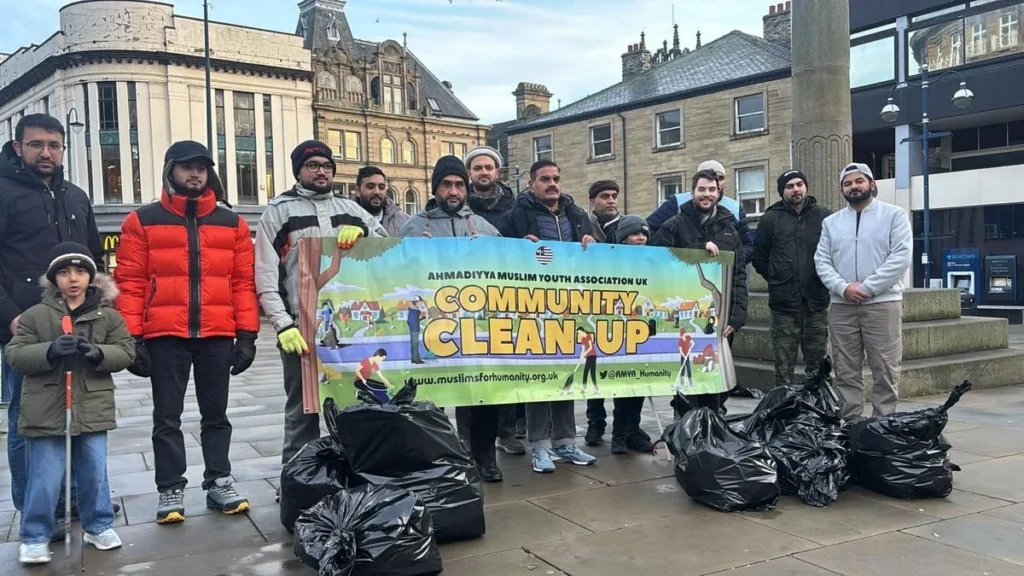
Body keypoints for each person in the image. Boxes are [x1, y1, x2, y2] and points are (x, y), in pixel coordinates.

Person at [114, 140, 260, 524]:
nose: (195, 173)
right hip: (164, 334)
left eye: (201, 167)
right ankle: (170, 488)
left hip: (216, 332)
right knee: (167, 417)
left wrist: (246, 334)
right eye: (186, 167)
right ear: (170, 172)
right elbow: (128, 282)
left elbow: (243, 283)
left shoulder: (233, 223)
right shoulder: (141, 220)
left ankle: (219, 481)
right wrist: (132, 337)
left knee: (216, 415)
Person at [255, 140, 386, 474]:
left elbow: (389, 252)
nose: (321, 171)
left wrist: (364, 233)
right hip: (301, 329)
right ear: (298, 170)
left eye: (326, 165)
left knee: (356, 406)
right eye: (312, 165)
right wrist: (282, 325)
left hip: (348, 333)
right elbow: (266, 273)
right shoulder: (278, 211)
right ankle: (299, 480)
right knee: (302, 413)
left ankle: (357, 475)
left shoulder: (353, 209)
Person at [0, 114, 105, 523]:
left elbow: (94, 259)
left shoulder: (76, 195)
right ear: (17, 147)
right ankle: (35, 509)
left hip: (78, 325)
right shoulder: (4, 191)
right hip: (24, 328)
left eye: (54, 146)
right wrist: (11, 318)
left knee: (77, 413)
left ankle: (75, 500)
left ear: (63, 149)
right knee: (28, 420)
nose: (46, 153)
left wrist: (98, 310)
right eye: (36, 144)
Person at [7, 243, 134, 564]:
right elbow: (15, 354)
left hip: (91, 406)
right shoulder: (35, 316)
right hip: (45, 408)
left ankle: (98, 524)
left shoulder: (108, 316)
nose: (72, 278)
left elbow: (126, 351)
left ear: (91, 277)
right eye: (64, 272)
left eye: (80, 271)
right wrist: (49, 350)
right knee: (45, 475)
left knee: (93, 471)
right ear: (54, 279)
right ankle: (35, 534)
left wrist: (99, 353)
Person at [400, 155, 506, 482]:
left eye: (459, 184)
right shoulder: (414, 226)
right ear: (435, 188)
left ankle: (484, 456)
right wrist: (412, 251)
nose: (454, 190)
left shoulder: (484, 227)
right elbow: (392, 272)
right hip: (436, 325)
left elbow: (508, 270)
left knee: (483, 395)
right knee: (434, 394)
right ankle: (440, 457)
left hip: (475, 326)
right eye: (447, 184)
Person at [499, 160, 597, 473]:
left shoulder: (577, 214)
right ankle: (540, 447)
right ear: (531, 184)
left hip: (569, 307)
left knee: (567, 374)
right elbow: (498, 258)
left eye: (556, 178)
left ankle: (566, 442)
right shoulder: (517, 215)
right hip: (532, 309)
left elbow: (596, 255)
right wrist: (516, 248)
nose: (552, 184)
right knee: (539, 378)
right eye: (544, 179)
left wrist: (591, 245)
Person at [815, 163, 912, 420]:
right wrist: (843, 287)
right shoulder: (830, 223)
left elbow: (900, 257)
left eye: (859, 181)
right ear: (841, 190)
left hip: (882, 304)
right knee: (845, 369)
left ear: (872, 184)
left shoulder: (894, 216)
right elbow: (822, 261)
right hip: (842, 306)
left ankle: (884, 422)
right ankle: (850, 423)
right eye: (847, 183)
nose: (854, 186)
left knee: (886, 368)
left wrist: (867, 288)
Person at [652, 169, 748, 414]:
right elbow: (655, 259)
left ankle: (711, 428)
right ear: (692, 193)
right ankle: (684, 427)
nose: (707, 194)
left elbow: (738, 276)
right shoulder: (674, 225)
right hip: (684, 315)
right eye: (702, 189)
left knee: (714, 379)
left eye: (712, 190)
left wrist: (737, 318)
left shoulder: (730, 231)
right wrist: (696, 248)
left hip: (721, 318)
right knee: (686, 378)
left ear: (719, 192)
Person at [464, 145, 526, 454]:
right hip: (469, 296)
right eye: (477, 168)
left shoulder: (514, 207)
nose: (483, 172)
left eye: (488, 167)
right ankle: (472, 437)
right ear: (470, 174)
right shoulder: (462, 206)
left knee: (506, 365)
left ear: (497, 172)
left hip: (507, 295)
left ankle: (508, 430)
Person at [752, 170, 831, 387]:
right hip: (783, 306)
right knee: (783, 365)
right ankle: (784, 409)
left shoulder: (824, 216)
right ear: (782, 192)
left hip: (816, 303)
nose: (795, 189)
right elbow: (760, 258)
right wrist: (779, 279)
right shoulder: (770, 219)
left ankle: (817, 407)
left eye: (799, 184)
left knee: (817, 364)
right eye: (789, 186)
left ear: (806, 187)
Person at [583, 214, 654, 453]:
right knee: (601, 381)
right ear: (623, 238)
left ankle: (624, 434)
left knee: (634, 386)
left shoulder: (653, 262)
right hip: (609, 331)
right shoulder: (606, 261)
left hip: (637, 332)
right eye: (636, 233)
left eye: (644, 233)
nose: (641, 238)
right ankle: (597, 425)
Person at [646, 160, 755, 264]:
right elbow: (649, 232)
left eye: (720, 178)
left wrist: (729, 261)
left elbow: (748, 246)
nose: (715, 180)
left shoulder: (735, 207)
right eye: (703, 187)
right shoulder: (675, 203)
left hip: (724, 276)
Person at [353, 166, 409, 236]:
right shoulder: (344, 217)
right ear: (358, 191)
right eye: (370, 186)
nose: (377, 192)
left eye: (381, 187)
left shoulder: (405, 221)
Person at [407, 296, 425, 365]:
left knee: (413, 344)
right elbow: (413, 320)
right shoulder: (415, 310)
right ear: (417, 302)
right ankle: (417, 359)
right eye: (420, 302)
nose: (421, 303)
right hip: (415, 328)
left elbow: (410, 320)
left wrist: (421, 319)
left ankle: (413, 359)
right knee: (415, 344)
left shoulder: (412, 310)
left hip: (412, 327)